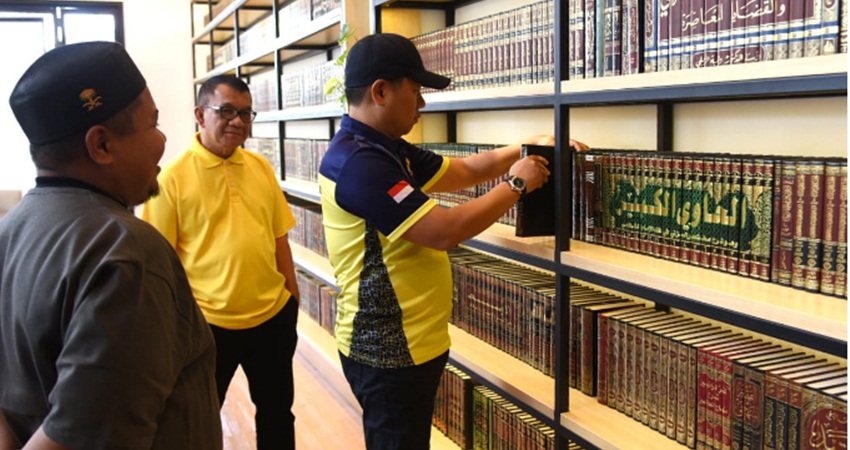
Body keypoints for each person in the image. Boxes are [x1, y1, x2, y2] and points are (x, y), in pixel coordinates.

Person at [318, 32, 589, 449]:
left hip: (413, 343)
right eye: (416, 91)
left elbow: (462, 171)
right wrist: (517, 184)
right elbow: (442, 231)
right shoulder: (359, 164)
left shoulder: (386, 149)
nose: (422, 105)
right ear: (381, 91)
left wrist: (528, 147)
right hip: (389, 351)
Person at [0, 41, 221, 449]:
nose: (163, 140)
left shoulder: (11, 230)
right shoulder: (126, 253)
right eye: (152, 124)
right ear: (101, 145)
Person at [142, 74, 301, 450]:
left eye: (246, 113)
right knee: (196, 421)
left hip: (272, 318)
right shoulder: (171, 179)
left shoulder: (260, 166)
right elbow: (160, 263)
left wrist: (291, 301)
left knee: (278, 413)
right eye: (226, 111)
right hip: (208, 327)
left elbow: (280, 240)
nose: (238, 122)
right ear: (200, 113)